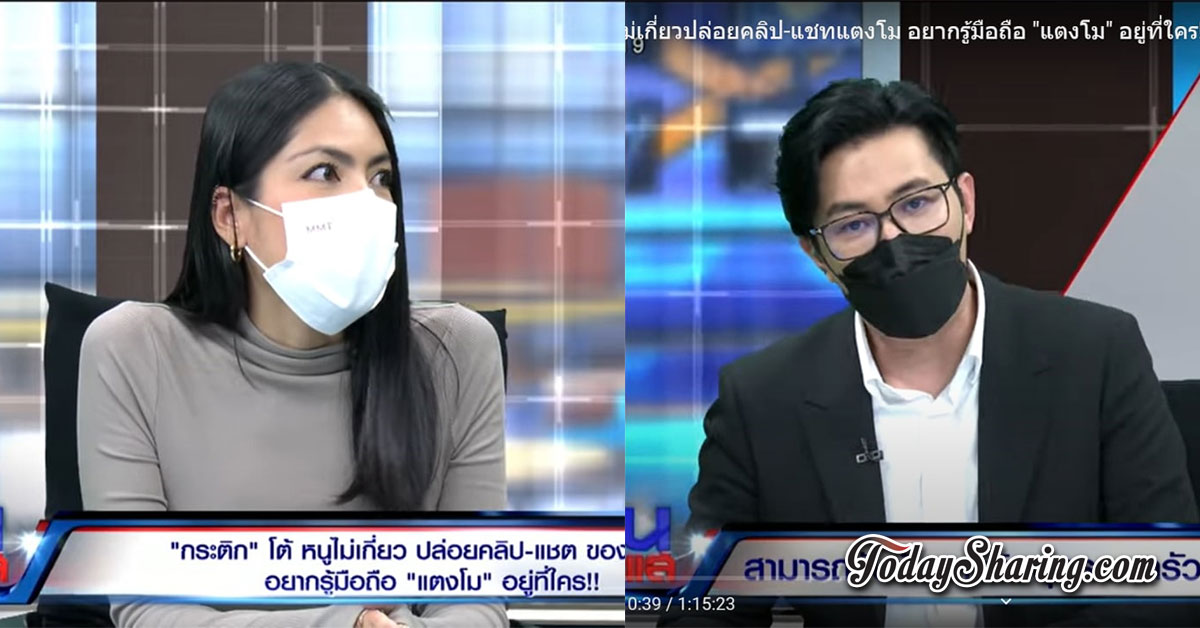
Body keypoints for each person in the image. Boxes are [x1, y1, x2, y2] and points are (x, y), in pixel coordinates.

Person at [663, 79, 1199, 627]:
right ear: (818, 255)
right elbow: (706, 609)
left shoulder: (1097, 354)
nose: (894, 241)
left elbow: (1168, 584)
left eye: (917, 203)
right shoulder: (761, 401)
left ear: (965, 202)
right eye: (854, 224)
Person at [76, 62, 507, 628]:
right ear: (230, 216)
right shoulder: (133, 350)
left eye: (380, 177)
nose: (366, 203)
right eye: (325, 172)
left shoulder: (456, 351)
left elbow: (477, 603)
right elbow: (146, 609)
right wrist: (344, 624)